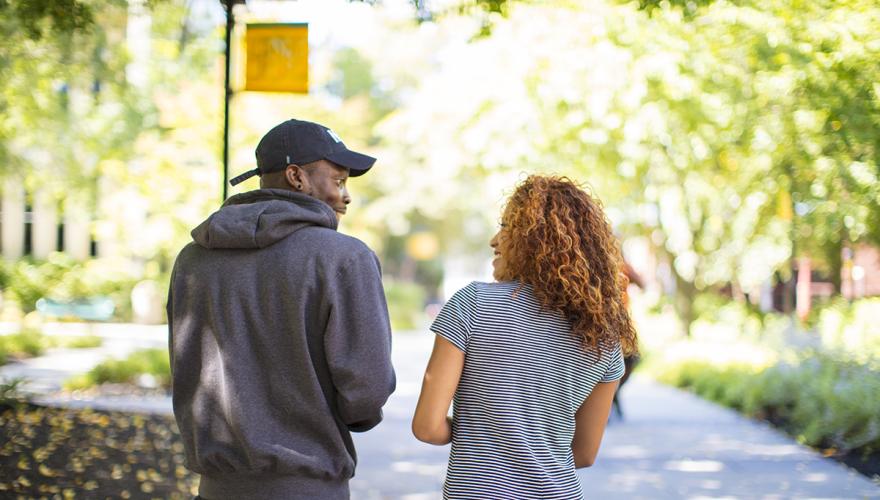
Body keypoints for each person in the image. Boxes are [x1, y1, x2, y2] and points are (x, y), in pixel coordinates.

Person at [167, 118, 396, 500]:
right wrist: (357, 415)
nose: (346, 196)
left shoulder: (191, 260)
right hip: (308, 489)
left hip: (214, 490)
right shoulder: (344, 259)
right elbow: (366, 391)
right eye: (338, 181)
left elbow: (186, 366)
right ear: (296, 177)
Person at [412, 175, 638, 499]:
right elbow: (585, 454)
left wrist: (474, 435)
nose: (494, 240)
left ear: (533, 240)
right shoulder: (602, 335)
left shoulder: (472, 305)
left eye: (506, 227)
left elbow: (427, 427)